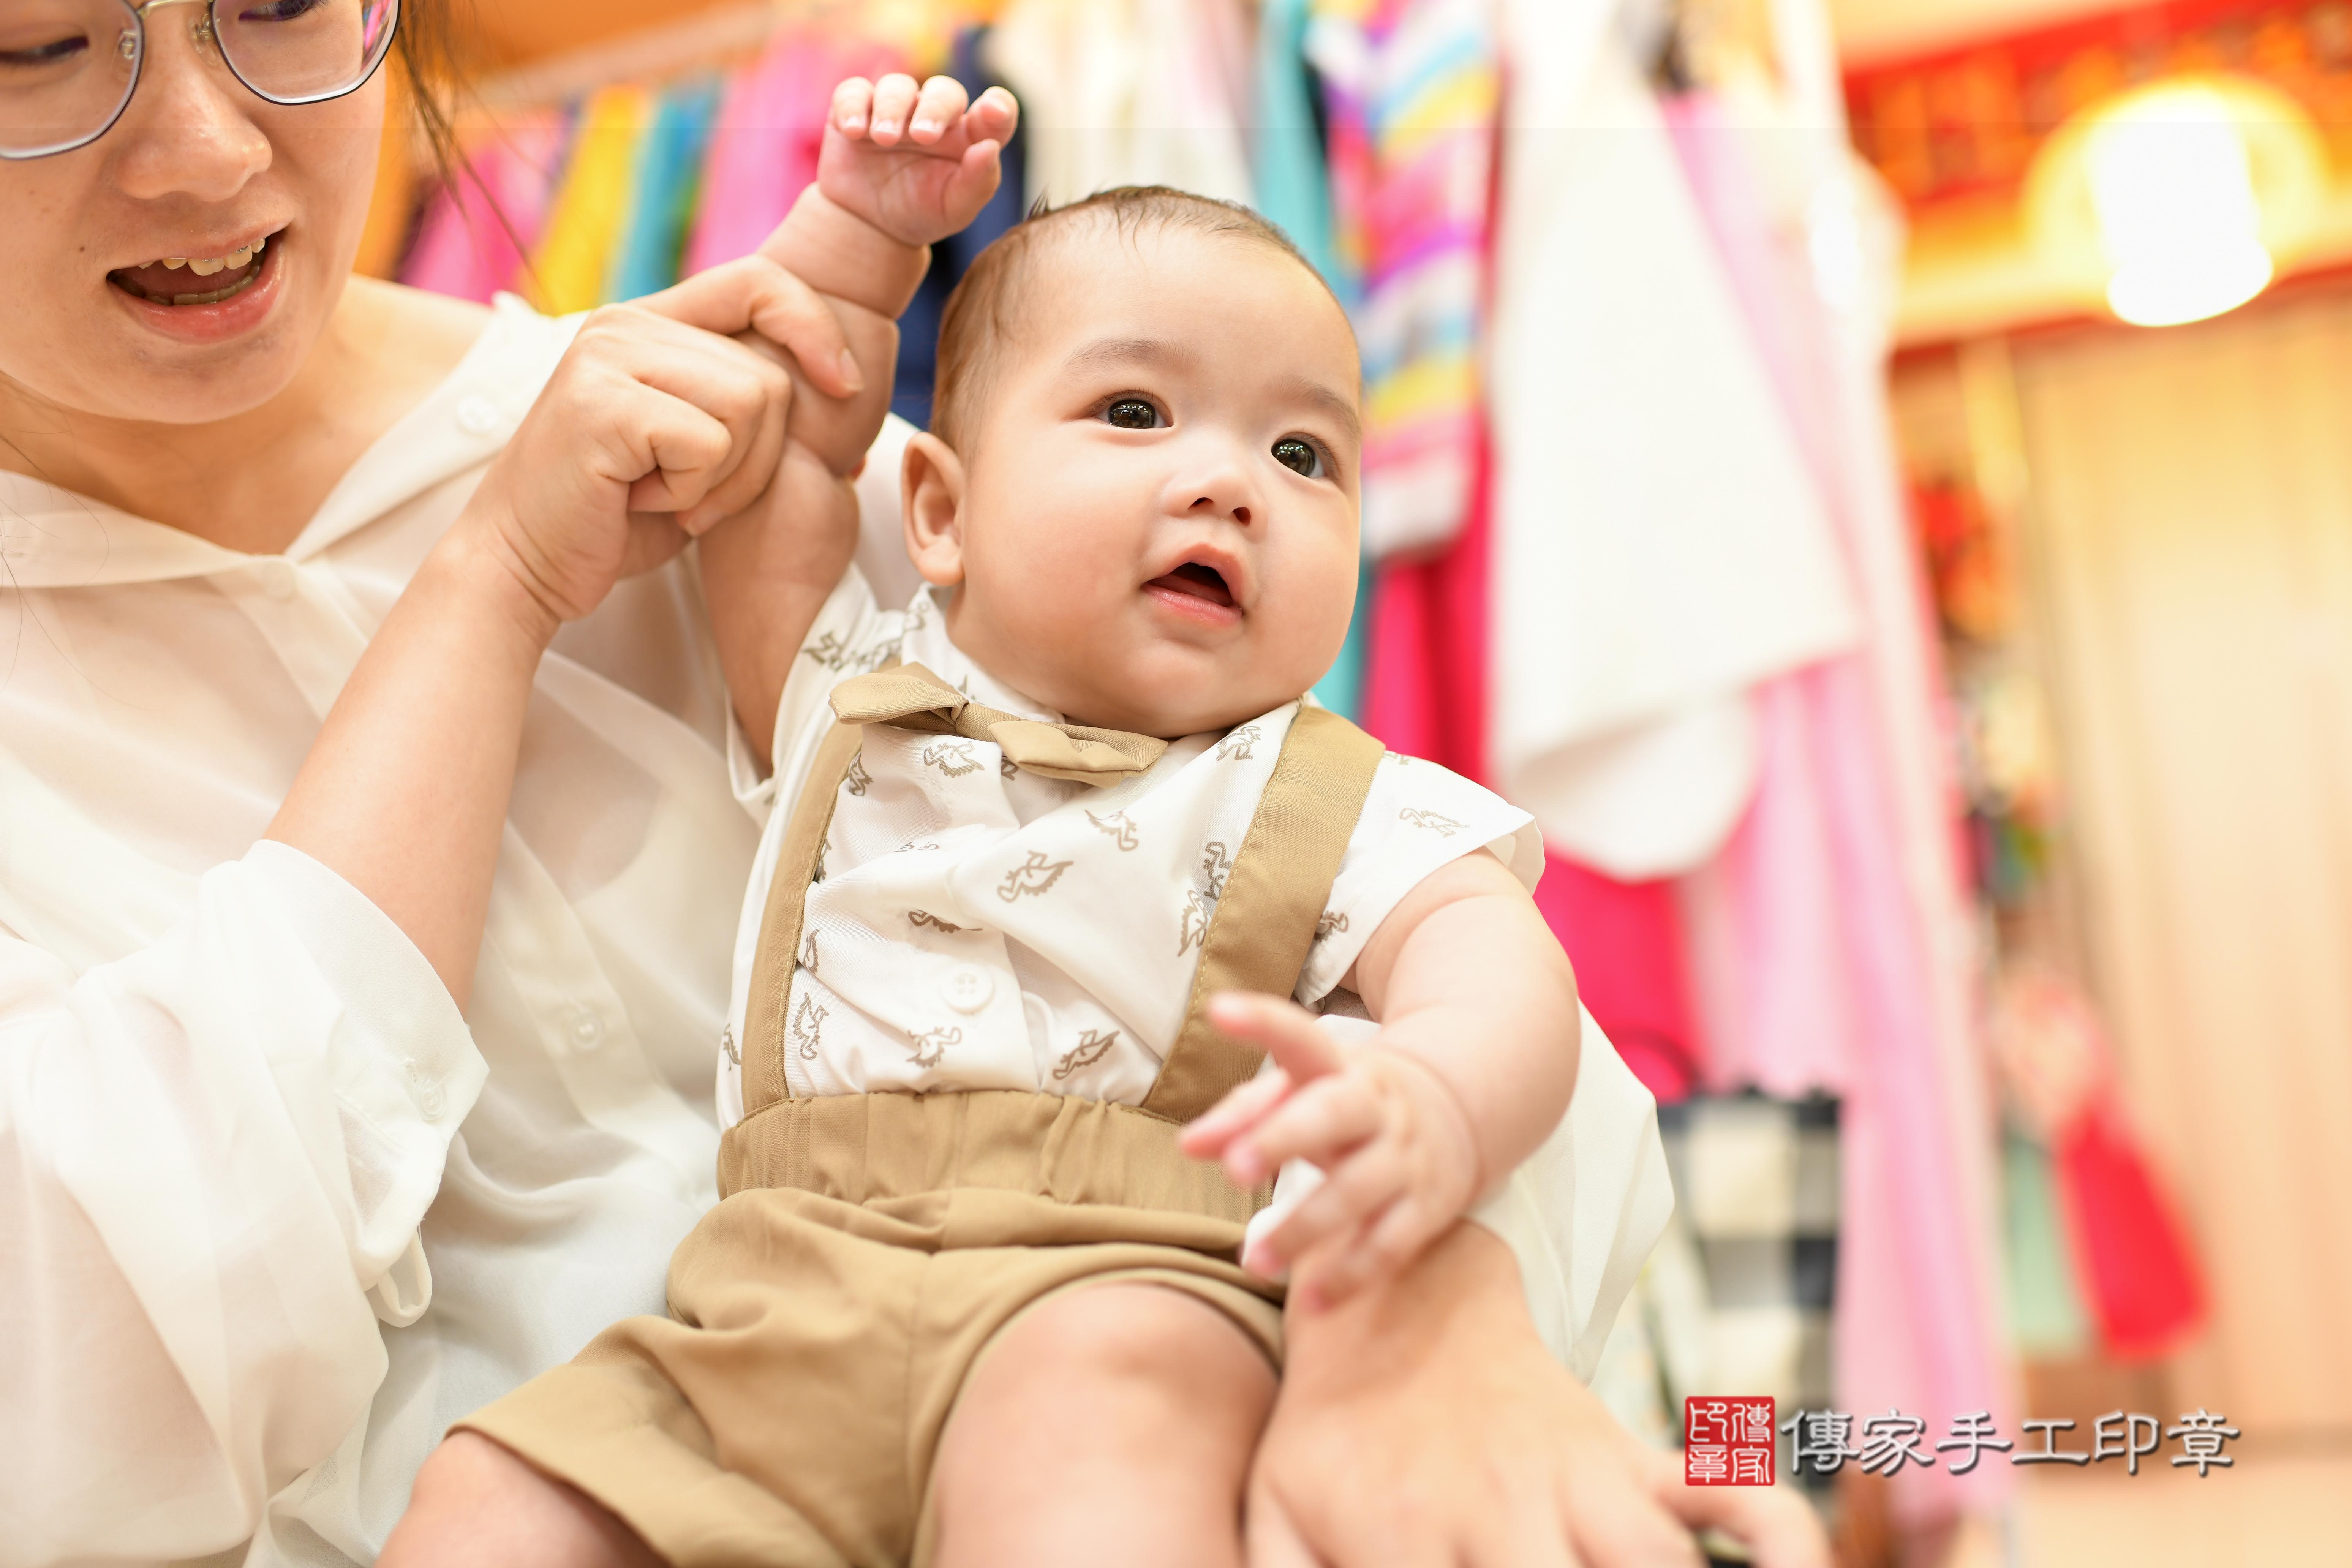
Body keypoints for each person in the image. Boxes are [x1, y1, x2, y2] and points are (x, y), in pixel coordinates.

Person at [0, 1, 1814, 1561]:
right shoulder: (629, 486)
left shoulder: (687, 444)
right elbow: (89, 1397)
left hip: (1112, 1330)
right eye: (35, 46)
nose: (204, 149)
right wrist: (490, 589)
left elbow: (1435, 979)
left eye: (286, 4)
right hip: (724, 1376)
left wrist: (1432, 1301)